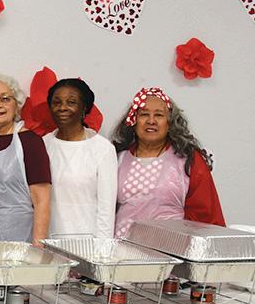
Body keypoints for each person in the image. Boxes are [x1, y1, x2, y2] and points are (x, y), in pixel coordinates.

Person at [111, 87, 224, 237]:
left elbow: (206, 215)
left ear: (170, 123)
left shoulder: (188, 159)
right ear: (133, 121)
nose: (151, 121)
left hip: (171, 247)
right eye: (144, 114)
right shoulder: (116, 158)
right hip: (122, 247)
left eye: (159, 115)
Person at [0, 73, 51, 245]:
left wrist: (38, 247)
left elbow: (42, 200)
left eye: (5, 99)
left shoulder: (30, 142)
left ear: (17, 105)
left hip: (23, 241)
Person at [42, 78, 117, 238]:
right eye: (56, 102)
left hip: (87, 244)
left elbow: (106, 209)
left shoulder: (103, 149)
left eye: (71, 102)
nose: (62, 108)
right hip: (49, 242)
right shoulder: (43, 145)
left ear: (84, 108)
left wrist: (102, 249)